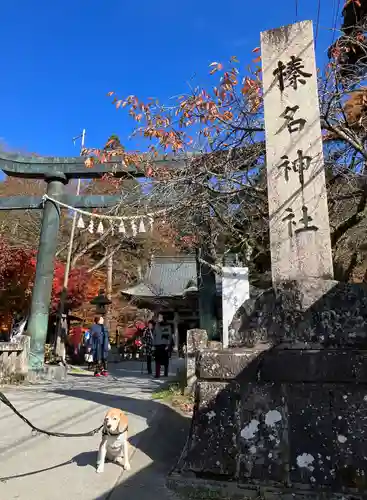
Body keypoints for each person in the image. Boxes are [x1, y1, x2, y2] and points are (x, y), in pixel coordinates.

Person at [153, 314, 173, 378]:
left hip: (164, 345)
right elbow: (154, 335)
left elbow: (168, 336)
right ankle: (157, 374)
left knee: (165, 360)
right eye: (159, 317)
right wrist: (153, 344)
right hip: (157, 345)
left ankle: (166, 373)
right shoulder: (156, 325)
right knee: (157, 360)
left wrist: (168, 345)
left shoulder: (167, 326)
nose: (159, 318)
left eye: (160, 317)